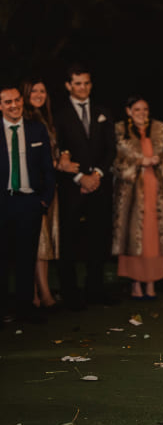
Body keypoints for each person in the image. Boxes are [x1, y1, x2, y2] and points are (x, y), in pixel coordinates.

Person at [53, 65, 116, 309]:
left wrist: (97, 175)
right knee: (68, 239)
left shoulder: (103, 112)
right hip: (72, 187)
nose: (83, 88)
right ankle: (70, 294)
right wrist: (80, 178)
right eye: (78, 83)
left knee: (98, 238)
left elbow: (111, 149)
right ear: (69, 85)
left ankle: (96, 290)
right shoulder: (59, 116)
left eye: (87, 83)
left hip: (98, 185)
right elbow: (58, 149)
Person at [112, 96, 163, 300]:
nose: (142, 113)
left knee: (154, 237)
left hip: (156, 190)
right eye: (137, 109)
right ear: (129, 111)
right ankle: (135, 284)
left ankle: (151, 283)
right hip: (131, 193)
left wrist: (160, 163)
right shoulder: (120, 131)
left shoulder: (160, 129)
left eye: (145, 109)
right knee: (133, 237)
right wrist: (140, 161)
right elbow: (115, 161)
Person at [0, 86, 55, 325]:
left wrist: (44, 199)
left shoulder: (36, 129)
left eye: (16, 100)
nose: (14, 105)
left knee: (26, 258)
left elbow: (47, 169)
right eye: (7, 102)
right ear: (0, 105)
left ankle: (25, 310)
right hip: (3, 202)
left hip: (29, 202)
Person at [22, 79, 70, 308]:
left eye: (43, 90)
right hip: (34, 188)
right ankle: (35, 295)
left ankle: (44, 292)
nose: (39, 94)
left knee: (46, 242)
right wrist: (57, 164)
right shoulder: (25, 119)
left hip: (50, 187)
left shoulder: (46, 119)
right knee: (36, 242)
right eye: (34, 91)